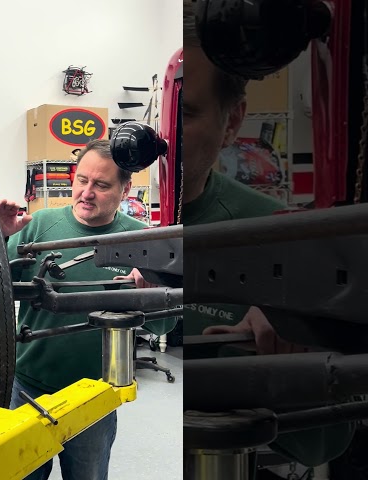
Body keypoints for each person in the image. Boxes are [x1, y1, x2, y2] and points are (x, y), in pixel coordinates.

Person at [178, 0, 354, 471]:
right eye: (158, 110)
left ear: (231, 122)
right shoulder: (94, 221)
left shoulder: (282, 240)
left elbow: (322, 445)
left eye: (185, 114)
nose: (161, 135)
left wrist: (288, 350)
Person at [0, 139, 148, 480]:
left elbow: (164, 329)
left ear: (125, 190)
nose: (86, 192)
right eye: (81, 180)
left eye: (102, 185)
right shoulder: (38, 225)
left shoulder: (143, 240)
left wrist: (148, 291)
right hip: (28, 387)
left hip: (95, 394)